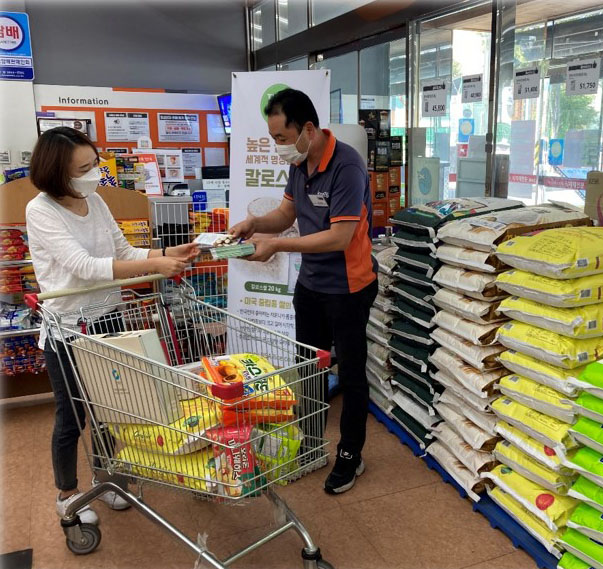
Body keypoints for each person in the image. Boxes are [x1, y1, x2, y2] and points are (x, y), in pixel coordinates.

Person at [26, 127, 200, 524]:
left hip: (109, 318)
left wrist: (167, 251)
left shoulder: (95, 199)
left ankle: (104, 479)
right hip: (68, 327)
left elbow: (123, 250)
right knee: (72, 416)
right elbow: (84, 267)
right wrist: (155, 264)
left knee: (111, 406)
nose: (94, 174)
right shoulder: (40, 211)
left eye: (94, 164)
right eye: (83, 169)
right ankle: (68, 495)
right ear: (57, 173)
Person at [229, 88, 378, 495]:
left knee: (351, 372)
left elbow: (339, 237)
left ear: (307, 129)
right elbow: (286, 214)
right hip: (310, 285)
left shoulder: (347, 166)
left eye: (281, 137)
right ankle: (311, 444)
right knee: (309, 368)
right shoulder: (299, 163)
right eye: (273, 137)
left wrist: (277, 245)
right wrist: (254, 225)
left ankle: (350, 453)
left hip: (349, 287)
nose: (277, 146)